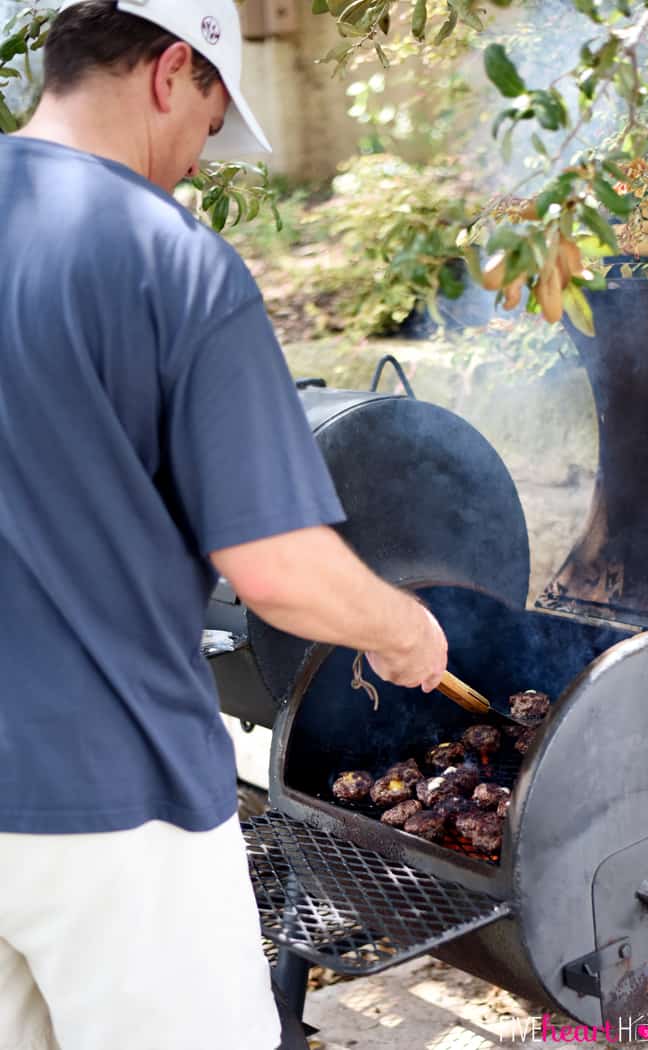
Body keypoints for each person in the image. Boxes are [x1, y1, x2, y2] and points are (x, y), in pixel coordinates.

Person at [0, 1, 449, 1047]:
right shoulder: (166, 256)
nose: (196, 166)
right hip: (114, 799)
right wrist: (403, 630)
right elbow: (278, 569)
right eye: (208, 129)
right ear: (170, 72)